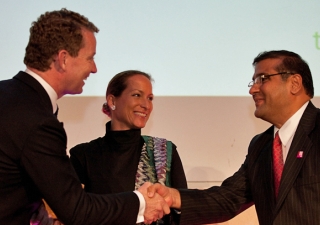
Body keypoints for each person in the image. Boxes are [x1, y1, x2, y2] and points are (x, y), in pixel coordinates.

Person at [0, 8, 169, 225]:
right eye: (90, 58)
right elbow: (77, 211)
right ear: (63, 59)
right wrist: (141, 202)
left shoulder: (9, 96)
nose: (95, 68)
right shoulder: (39, 121)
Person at [148, 50, 319, 225]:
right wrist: (173, 197)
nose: (253, 89)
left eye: (263, 78)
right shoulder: (261, 145)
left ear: (295, 83)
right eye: (253, 81)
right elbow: (228, 199)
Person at [69, 70, 188, 225]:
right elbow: (76, 213)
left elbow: (184, 212)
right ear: (112, 101)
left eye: (150, 98)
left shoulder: (165, 151)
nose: (146, 105)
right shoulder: (83, 155)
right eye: (137, 95)